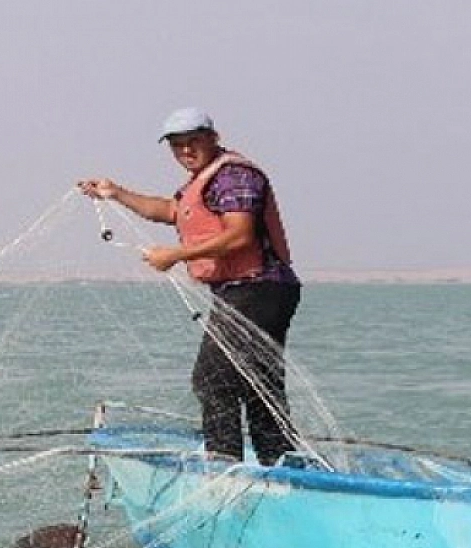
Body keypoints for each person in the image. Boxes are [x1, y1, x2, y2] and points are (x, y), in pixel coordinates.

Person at [77, 107, 303, 465]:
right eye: (177, 145)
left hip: (259, 288)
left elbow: (240, 236)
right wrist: (114, 192)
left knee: (212, 380)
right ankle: (280, 464)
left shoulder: (233, 178)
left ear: (213, 138)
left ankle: (223, 464)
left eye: (193, 142)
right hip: (246, 291)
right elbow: (169, 211)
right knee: (256, 383)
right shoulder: (204, 180)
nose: (186, 151)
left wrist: (176, 254)